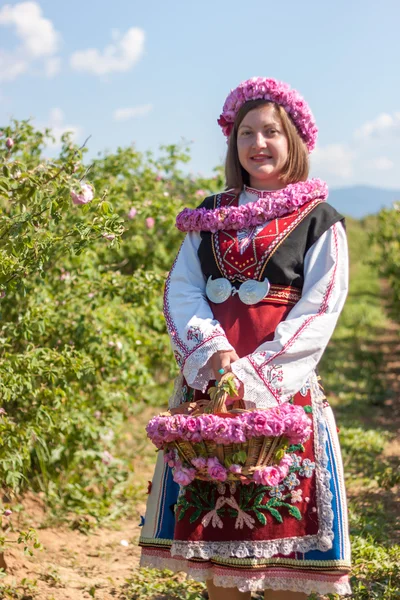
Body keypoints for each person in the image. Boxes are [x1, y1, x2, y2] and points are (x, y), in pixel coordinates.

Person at [139, 77, 351, 599]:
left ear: (295, 139)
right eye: (245, 133)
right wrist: (216, 355)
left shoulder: (320, 221)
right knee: (219, 566)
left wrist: (256, 375)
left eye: (271, 132)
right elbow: (182, 291)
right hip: (212, 395)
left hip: (281, 394)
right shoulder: (208, 218)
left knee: (285, 562)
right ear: (233, 144)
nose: (258, 144)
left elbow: (320, 307)